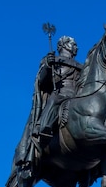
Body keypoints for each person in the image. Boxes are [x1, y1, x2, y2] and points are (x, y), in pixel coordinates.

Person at [14, 35, 82, 169]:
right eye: (73, 44)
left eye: (75, 45)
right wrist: (47, 66)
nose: (76, 47)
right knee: (54, 100)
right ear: (63, 46)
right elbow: (42, 80)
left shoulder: (81, 66)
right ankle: (44, 127)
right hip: (62, 93)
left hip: (78, 95)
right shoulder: (52, 60)